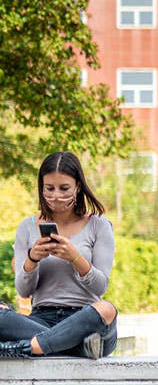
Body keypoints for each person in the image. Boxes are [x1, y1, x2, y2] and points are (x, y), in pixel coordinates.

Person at [0, 151, 118, 359]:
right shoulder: (27, 227)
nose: (56, 196)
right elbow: (23, 291)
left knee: (106, 309)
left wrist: (75, 257)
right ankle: (73, 346)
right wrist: (32, 260)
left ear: (77, 187)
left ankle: (31, 347)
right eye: (49, 188)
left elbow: (100, 287)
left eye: (64, 188)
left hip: (84, 319)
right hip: (40, 320)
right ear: (41, 188)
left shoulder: (98, 225)